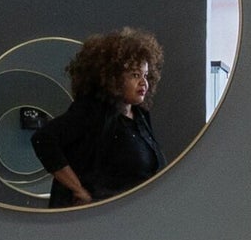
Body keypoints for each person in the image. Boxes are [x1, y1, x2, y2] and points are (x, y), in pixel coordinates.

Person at [32, 27, 164, 205]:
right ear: (113, 78)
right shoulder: (92, 112)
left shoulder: (140, 115)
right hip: (96, 219)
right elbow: (43, 139)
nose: (144, 83)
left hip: (133, 216)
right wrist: (78, 189)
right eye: (135, 75)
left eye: (146, 75)